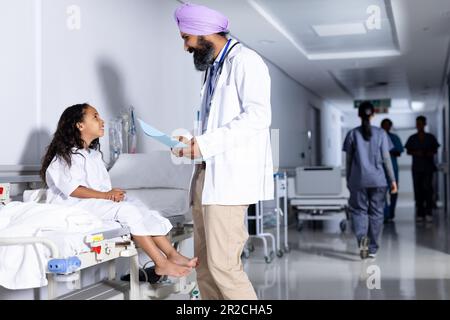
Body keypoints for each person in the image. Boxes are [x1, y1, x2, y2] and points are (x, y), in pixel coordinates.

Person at [171, 3, 274, 300]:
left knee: (224, 267)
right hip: (206, 176)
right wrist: (194, 142)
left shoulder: (246, 61)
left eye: (186, 38)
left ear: (204, 34)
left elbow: (258, 117)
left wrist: (205, 144)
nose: (185, 46)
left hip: (228, 182)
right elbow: (218, 123)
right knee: (204, 266)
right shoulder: (213, 69)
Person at [40, 103, 197, 278]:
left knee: (140, 207)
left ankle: (172, 255)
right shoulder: (65, 156)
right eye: (95, 117)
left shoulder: (93, 155)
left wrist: (112, 193)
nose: (102, 121)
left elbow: (99, 186)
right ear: (79, 125)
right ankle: (161, 264)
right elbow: (74, 190)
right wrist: (106, 195)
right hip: (74, 205)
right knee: (129, 212)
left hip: (94, 202)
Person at [343, 102, 397, 260]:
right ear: (373, 115)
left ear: (359, 115)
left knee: (359, 212)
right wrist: (392, 180)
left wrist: (349, 180)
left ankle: (363, 243)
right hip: (378, 181)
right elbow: (387, 160)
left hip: (358, 181)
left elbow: (348, 161)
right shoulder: (381, 134)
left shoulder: (352, 134)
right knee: (376, 213)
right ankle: (372, 248)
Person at [405, 116, 440, 223]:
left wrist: (427, 153)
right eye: (417, 123)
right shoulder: (412, 138)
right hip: (416, 168)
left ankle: (428, 212)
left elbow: (435, 150)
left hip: (428, 168)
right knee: (418, 190)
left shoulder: (430, 137)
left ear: (424, 124)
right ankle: (420, 213)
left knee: (428, 190)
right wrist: (417, 153)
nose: (418, 125)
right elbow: (408, 151)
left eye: (420, 123)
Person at [380, 118, 404, 223]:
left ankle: (391, 211)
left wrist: (388, 152)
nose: (386, 127)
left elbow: (399, 152)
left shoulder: (394, 138)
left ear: (390, 126)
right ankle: (385, 214)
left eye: (387, 125)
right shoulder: (377, 138)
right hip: (380, 169)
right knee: (381, 192)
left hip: (392, 169)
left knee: (393, 191)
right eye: (384, 125)